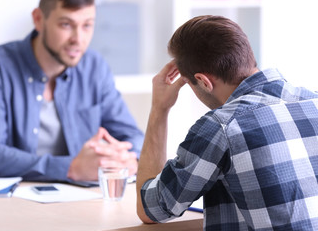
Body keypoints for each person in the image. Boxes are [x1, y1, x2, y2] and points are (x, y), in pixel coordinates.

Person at [136, 15, 318, 230]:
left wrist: (159, 109)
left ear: (203, 81)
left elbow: (152, 209)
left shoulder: (221, 127)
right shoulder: (313, 101)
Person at [0, 0, 143, 182]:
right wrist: (70, 168)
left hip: (76, 199)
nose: (78, 38)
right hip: (3, 202)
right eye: (66, 24)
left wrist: (128, 159)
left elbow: (132, 136)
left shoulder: (95, 67)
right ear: (39, 19)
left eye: (87, 25)